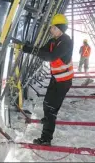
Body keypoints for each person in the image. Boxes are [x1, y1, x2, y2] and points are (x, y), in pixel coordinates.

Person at [22, 14, 74, 146]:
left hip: (63, 81)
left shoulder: (66, 42)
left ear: (60, 28)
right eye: (51, 27)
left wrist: (30, 50)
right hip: (55, 78)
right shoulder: (53, 41)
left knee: (51, 108)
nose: (51, 29)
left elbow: (50, 57)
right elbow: (41, 51)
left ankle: (46, 139)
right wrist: (30, 49)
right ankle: (48, 120)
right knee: (46, 103)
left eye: (53, 27)